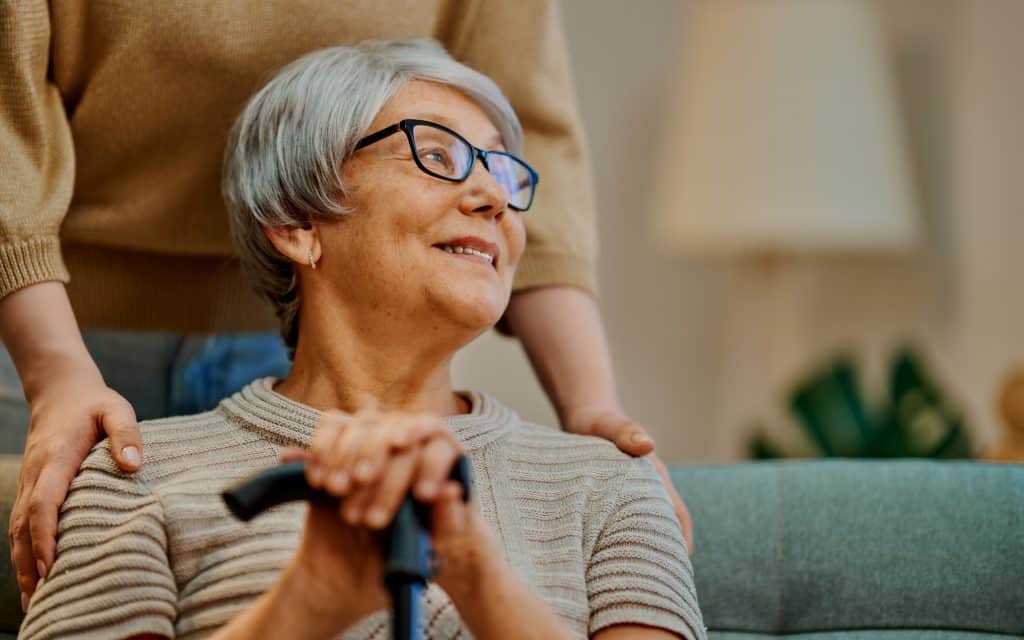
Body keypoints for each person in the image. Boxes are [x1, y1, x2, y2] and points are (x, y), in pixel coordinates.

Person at [0, 0, 694, 609]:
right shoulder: (125, 485)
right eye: (439, 156)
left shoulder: (606, 488)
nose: (492, 199)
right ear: (299, 223)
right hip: (65, 315)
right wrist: (56, 372)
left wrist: (586, 406)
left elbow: (539, 129)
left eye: (501, 171)